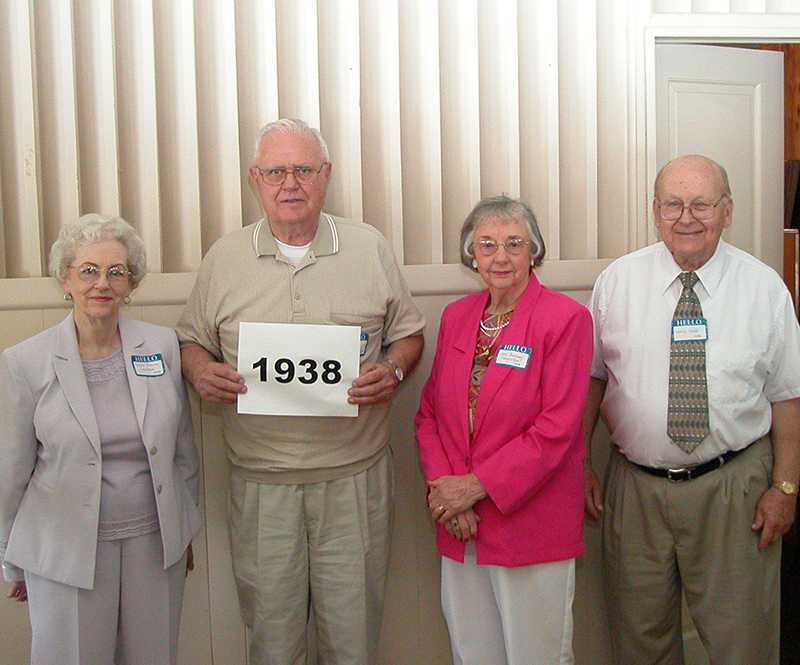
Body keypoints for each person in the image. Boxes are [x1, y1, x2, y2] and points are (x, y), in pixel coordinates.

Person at [176, 118, 425, 664]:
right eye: (275, 171)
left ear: (326, 175)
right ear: (255, 179)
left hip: (354, 480)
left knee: (352, 639)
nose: (290, 184)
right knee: (273, 640)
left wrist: (395, 370)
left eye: (303, 170)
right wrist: (198, 371)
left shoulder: (368, 247)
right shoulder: (225, 258)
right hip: (262, 485)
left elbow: (408, 334)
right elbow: (192, 342)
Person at [584, 154, 800, 665]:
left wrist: (786, 487)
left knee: (741, 641)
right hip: (635, 492)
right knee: (641, 642)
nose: (687, 218)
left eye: (701, 204)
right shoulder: (617, 283)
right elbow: (592, 382)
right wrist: (579, 465)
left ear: (728, 211)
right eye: (674, 204)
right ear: (655, 211)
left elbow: (787, 395)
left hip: (735, 491)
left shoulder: (763, 288)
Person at [0, 214, 201, 665]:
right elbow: (10, 473)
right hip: (63, 550)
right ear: (65, 279)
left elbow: (182, 452)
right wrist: (13, 560)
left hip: (154, 545)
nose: (102, 283)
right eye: (88, 270)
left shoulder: (162, 346)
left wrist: (181, 531)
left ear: (132, 284)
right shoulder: (25, 362)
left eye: (117, 272)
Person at [414, 195, 593, 665]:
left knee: (536, 655)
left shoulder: (565, 319)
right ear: (471, 255)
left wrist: (471, 489)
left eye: (515, 244)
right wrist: (445, 493)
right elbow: (430, 414)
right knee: (472, 653)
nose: (500, 257)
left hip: (529, 523)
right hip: (460, 524)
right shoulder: (457, 317)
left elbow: (555, 430)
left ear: (534, 251)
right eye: (487, 244)